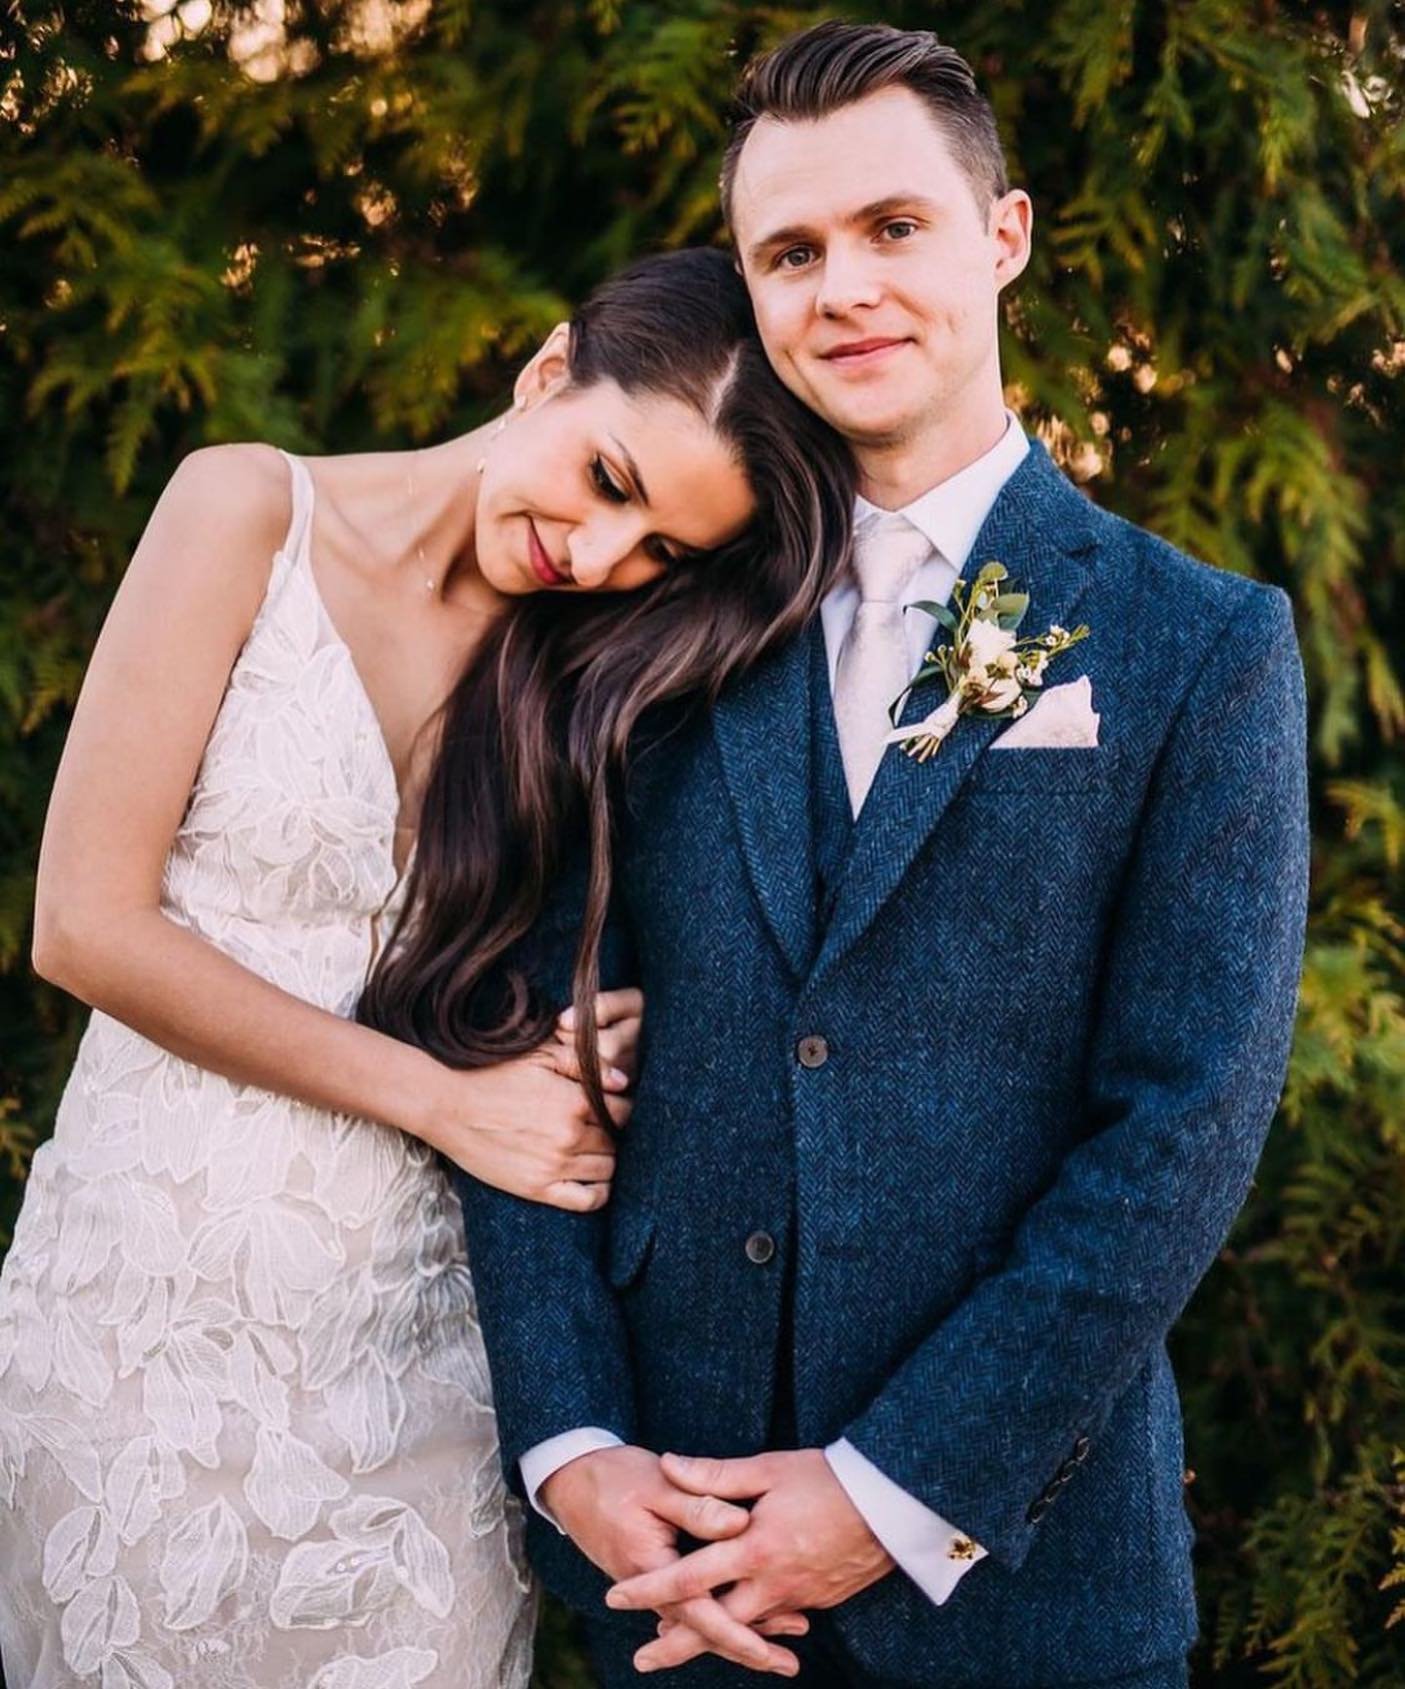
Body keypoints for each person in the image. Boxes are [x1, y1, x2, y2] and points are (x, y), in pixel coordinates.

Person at [452, 22, 1312, 1689]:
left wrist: (888, 1490)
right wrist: (571, 1448)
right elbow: (524, 1028)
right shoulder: (649, 610)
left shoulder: (1196, 643)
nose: (841, 286)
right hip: (669, 1570)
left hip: (1024, 1586)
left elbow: (1185, 1121)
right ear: (752, 291)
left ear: (1001, 238)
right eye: (791, 251)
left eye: (892, 228)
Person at [0, 248, 855, 1689]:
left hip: (418, 1362)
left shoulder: (589, 675)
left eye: (656, 550)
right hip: (142, 1320)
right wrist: (449, 1099)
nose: (594, 556)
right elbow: (84, 923)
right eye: (606, 477)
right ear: (543, 372)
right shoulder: (245, 509)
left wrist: (606, 1036)